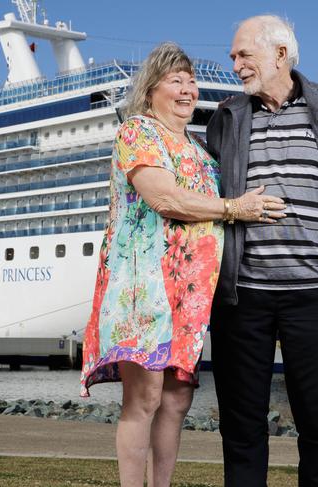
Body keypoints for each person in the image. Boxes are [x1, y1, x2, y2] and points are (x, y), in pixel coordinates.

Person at [80, 42, 286, 487]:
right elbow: (165, 199)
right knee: (145, 398)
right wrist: (236, 209)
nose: (188, 89)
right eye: (176, 80)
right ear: (151, 89)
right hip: (144, 287)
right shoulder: (138, 131)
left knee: (176, 401)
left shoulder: (198, 149)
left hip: (189, 297)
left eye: (191, 81)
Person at [206, 15, 318, 487]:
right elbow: (209, 198)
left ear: (280, 54)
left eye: (244, 54)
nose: (235, 64)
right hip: (241, 295)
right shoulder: (227, 116)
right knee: (241, 426)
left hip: (317, 292)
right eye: (233, 56)